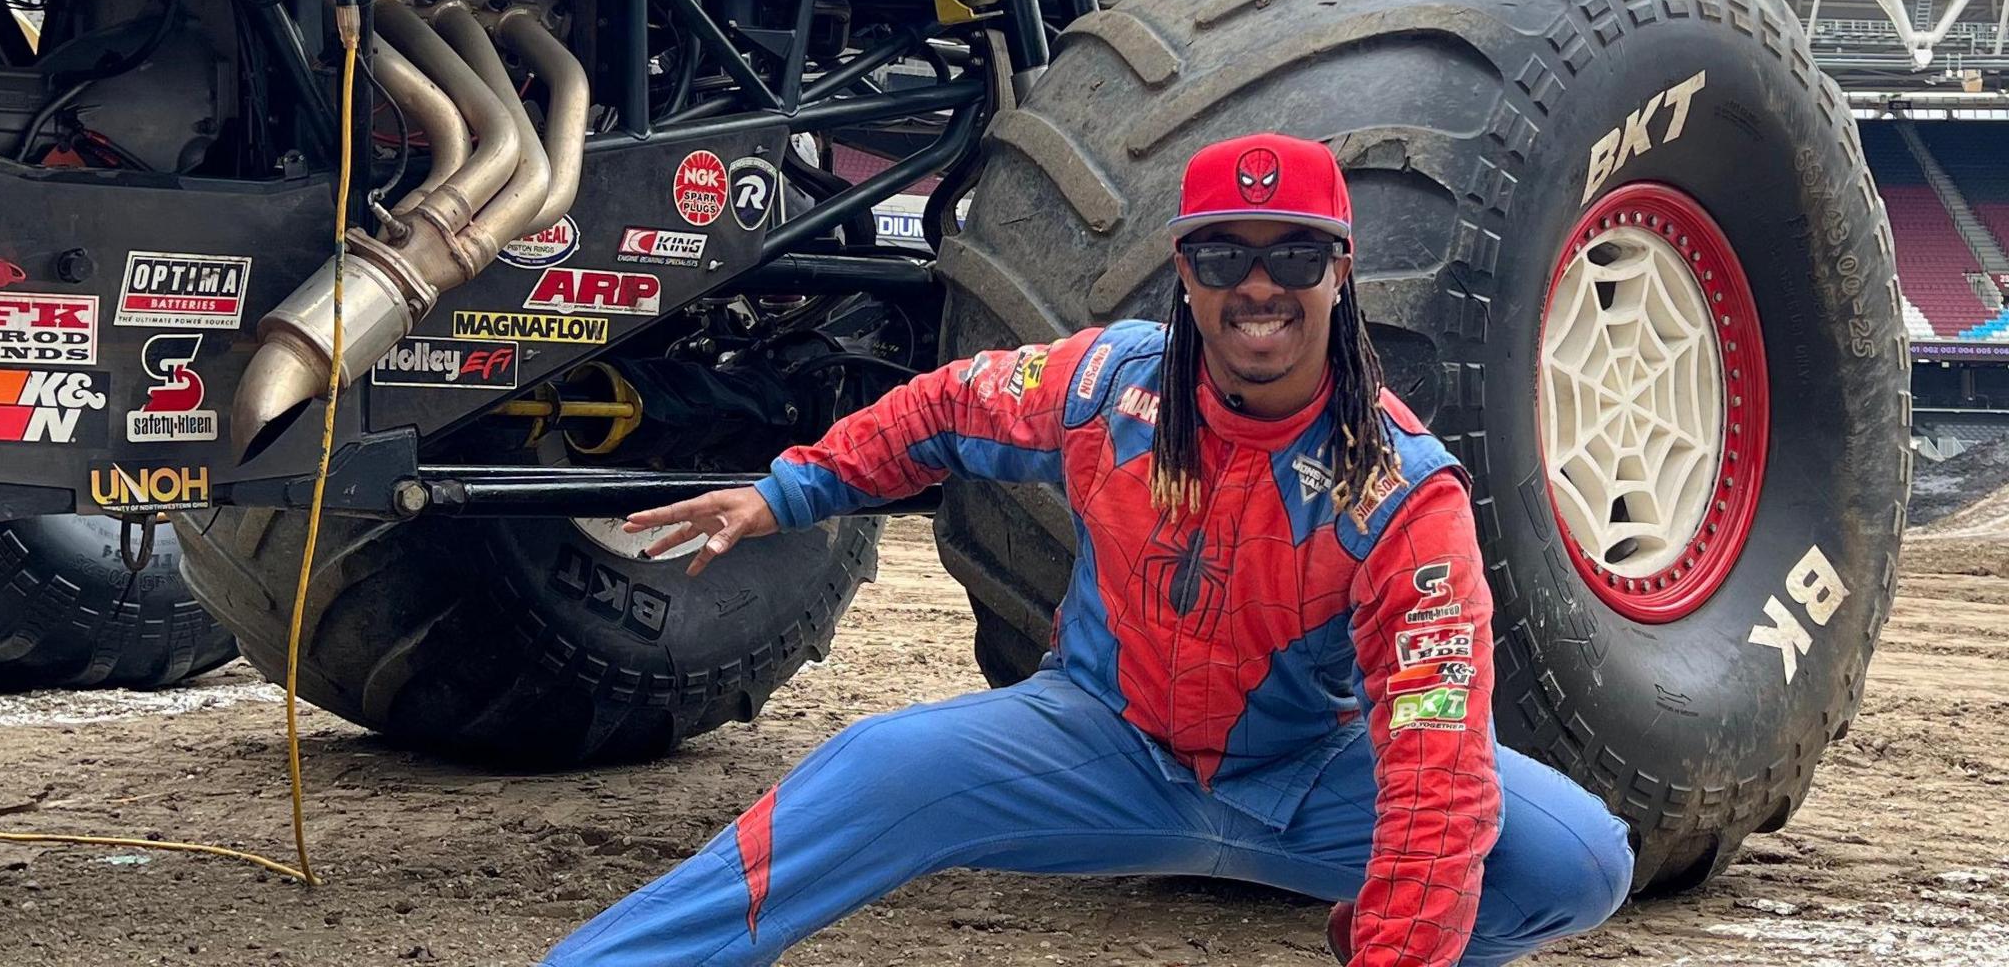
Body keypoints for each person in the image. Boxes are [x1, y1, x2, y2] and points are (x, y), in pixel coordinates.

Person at [539, 133, 1634, 967]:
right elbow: (944, 408)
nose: (1259, 284)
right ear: (1184, 270)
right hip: (1097, 741)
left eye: (1294, 253)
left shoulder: (1400, 490)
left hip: (1305, 777)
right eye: (1223, 253)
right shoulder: (1108, 386)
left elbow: (1434, 762)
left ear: (1340, 270)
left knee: (1577, 861)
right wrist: (788, 491)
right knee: (872, 768)